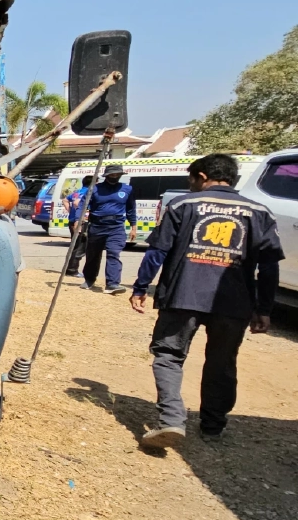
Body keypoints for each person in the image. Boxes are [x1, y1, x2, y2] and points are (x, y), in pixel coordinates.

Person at [129, 153, 284, 449]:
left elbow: (156, 252)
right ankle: (213, 425)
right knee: (222, 361)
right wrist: (263, 308)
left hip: (182, 296)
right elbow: (269, 266)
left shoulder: (182, 205)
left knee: (168, 356)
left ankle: (172, 420)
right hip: (234, 302)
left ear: (201, 177)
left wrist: (140, 287)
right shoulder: (259, 211)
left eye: (190, 179)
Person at [80, 164, 137, 294]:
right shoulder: (95, 189)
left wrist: (133, 227)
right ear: (106, 176)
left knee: (114, 253)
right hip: (97, 226)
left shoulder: (127, 189)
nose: (115, 177)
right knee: (93, 255)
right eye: (112, 175)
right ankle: (89, 279)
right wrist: (79, 220)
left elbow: (131, 209)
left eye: (117, 175)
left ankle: (112, 284)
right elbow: (83, 205)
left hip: (116, 227)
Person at [64, 176, 93, 277]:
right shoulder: (88, 192)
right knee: (80, 246)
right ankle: (72, 269)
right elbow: (77, 203)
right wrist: (80, 214)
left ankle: (70, 268)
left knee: (75, 245)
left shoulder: (77, 192)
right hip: (81, 222)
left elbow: (65, 200)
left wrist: (70, 211)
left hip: (73, 221)